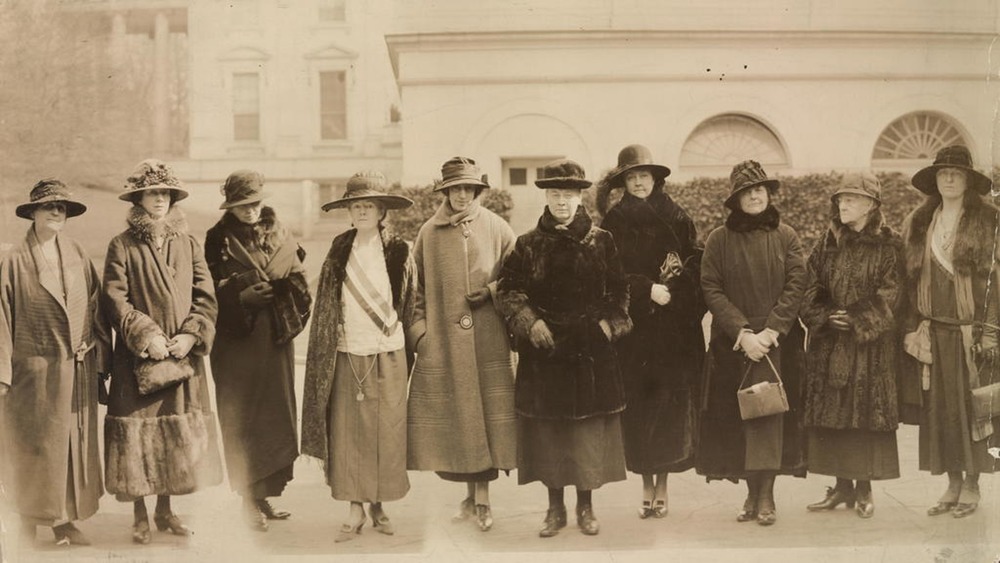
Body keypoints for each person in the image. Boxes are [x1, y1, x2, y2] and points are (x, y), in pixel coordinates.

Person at [497, 159, 631, 538]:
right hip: (546, 353)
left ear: (579, 197)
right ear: (547, 197)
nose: (561, 202)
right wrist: (530, 323)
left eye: (568, 195)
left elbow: (620, 290)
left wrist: (608, 326)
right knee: (550, 435)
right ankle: (554, 509)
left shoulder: (602, 241)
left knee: (586, 436)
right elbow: (509, 290)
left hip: (590, 352)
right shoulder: (527, 244)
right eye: (555, 194)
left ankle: (585, 507)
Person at [102, 159, 222, 544]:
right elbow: (114, 299)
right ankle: (139, 514)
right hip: (139, 358)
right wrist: (145, 334)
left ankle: (166, 509)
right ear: (139, 198)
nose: (160, 200)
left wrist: (190, 334)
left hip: (180, 355)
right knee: (138, 433)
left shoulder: (188, 243)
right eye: (153, 193)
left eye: (165, 193)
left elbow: (206, 297)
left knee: (176, 429)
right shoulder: (122, 245)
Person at [301, 171, 416, 542]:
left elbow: (410, 300)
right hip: (347, 351)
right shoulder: (338, 247)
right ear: (349, 211)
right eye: (356, 205)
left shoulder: (400, 249)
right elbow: (326, 304)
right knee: (348, 433)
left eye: (370, 205)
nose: (363, 211)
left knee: (386, 432)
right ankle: (354, 508)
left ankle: (380, 503)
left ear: (382, 210)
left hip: (388, 351)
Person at [407, 157, 517, 531]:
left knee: (485, 416)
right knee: (460, 422)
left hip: (488, 341)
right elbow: (414, 290)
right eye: (454, 189)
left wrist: (489, 291)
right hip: (444, 343)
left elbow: (519, 277)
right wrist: (421, 332)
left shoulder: (498, 228)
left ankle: (483, 501)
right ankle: (470, 499)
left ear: (477, 191)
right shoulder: (428, 233)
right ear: (446, 191)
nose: (461, 195)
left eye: (468, 189)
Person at [697, 160, 807, 527]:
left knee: (771, 419)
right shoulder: (718, 240)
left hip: (777, 342)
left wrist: (772, 331)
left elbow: (796, 284)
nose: (755, 195)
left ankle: (767, 495)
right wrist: (742, 333)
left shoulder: (786, 236)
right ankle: (749, 493)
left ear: (768, 193)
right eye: (747, 191)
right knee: (739, 419)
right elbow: (711, 287)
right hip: (735, 344)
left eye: (760, 189)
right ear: (736, 200)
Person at [598, 145, 705, 519]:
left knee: (670, 408)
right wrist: (646, 290)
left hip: (673, 333)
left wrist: (675, 292)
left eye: (644, 175)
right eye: (631, 176)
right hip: (636, 333)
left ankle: (663, 486)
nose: (639, 182)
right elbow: (608, 274)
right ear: (623, 182)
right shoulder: (613, 222)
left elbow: (696, 263)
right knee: (641, 408)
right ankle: (645, 484)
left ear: (655, 179)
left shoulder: (677, 216)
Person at [0, 180, 108, 547]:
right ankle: (27, 521)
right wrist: (3, 373)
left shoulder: (76, 252)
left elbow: (96, 308)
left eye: (62, 207)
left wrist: (98, 359)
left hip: (76, 368)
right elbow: (0, 319)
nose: (56, 212)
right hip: (32, 370)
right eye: (48, 206)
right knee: (33, 446)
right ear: (32, 212)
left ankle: (65, 522)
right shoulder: (14, 260)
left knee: (71, 447)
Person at [204, 170, 310, 531]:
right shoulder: (215, 240)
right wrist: (239, 297)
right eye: (241, 205)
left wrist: (282, 292)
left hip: (275, 337)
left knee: (273, 415)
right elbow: (203, 292)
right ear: (230, 206)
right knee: (242, 416)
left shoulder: (280, 232)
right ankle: (246, 498)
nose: (249, 211)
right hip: (235, 342)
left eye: (254, 204)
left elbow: (299, 280)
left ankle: (263, 495)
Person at [901, 145, 999, 519]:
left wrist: (990, 331)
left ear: (968, 180)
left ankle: (972, 484)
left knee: (973, 409)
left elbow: (996, 282)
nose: (950, 179)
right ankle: (952, 482)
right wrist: (912, 328)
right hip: (934, 332)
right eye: (943, 173)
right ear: (935, 180)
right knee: (940, 411)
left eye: (957, 173)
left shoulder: (989, 219)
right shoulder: (921, 221)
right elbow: (909, 282)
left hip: (971, 333)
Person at [801, 172, 902, 519]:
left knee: (864, 417)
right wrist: (826, 316)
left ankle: (864, 489)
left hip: (869, 348)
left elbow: (892, 294)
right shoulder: (824, 243)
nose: (843, 203)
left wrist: (859, 319)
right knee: (834, 417)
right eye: (841, 198)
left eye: (852, 198)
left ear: (871, 205)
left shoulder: (889, 245)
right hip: (830, 345)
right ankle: (841, 488)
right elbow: (808, 288)